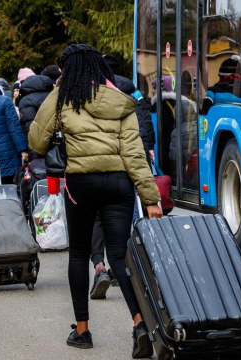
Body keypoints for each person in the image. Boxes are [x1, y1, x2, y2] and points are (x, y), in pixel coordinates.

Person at [28, 44, 162, 357]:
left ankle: (83, 330)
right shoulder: (121, 101)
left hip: (81, 183)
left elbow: (36, 140)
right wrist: (150, 197)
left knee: (78, 252)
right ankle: (140, 323)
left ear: (67, 72)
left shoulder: (62, 100)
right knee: (120, 255)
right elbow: (133, 153)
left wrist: (57, 93)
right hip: (119, 183)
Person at [89, 54, 158, 299]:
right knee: (123, 214)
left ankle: (99, 267)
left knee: (97, 218)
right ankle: (120, 267)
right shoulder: (131, 89)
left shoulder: (92, 90)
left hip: (95, 165)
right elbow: (143, 119)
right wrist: (148, 144)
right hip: (126, 160)